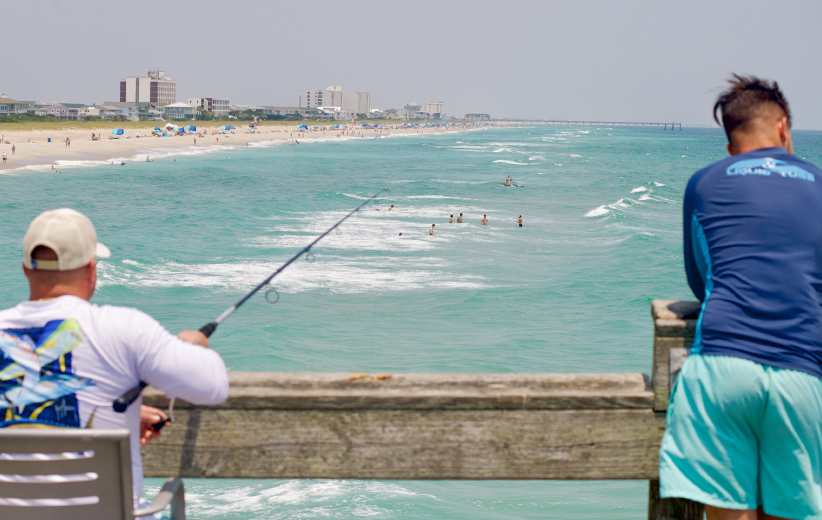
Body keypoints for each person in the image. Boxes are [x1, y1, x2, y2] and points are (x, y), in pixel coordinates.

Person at [659, 75, 822, 520]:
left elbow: (700, 280)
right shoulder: (819, 182)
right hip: (802, 370)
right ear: (784, 128)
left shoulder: (705, 182)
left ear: (731, 144)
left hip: (722, 365)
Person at [0, 208, 229, 510]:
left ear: (26, 269)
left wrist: (124, 411)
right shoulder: (123, 328)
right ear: (91, 269)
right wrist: (192, 345)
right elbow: (214, 386)